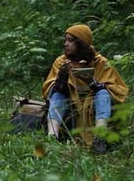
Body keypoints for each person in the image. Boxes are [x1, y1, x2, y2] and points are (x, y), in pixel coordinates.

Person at [42, 24, 128, 153]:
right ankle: (52, 136)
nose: (66, 44)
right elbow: (49, 91)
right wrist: (62, 77)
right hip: (71, 107)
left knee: (103, 93)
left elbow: (117, 92)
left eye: (70, 41)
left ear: (81, 43)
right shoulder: (61, 62)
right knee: (57, 96)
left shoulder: (100, 62)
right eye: (65, 40)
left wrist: (91, 82)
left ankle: (100, 137)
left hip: (93, 107)